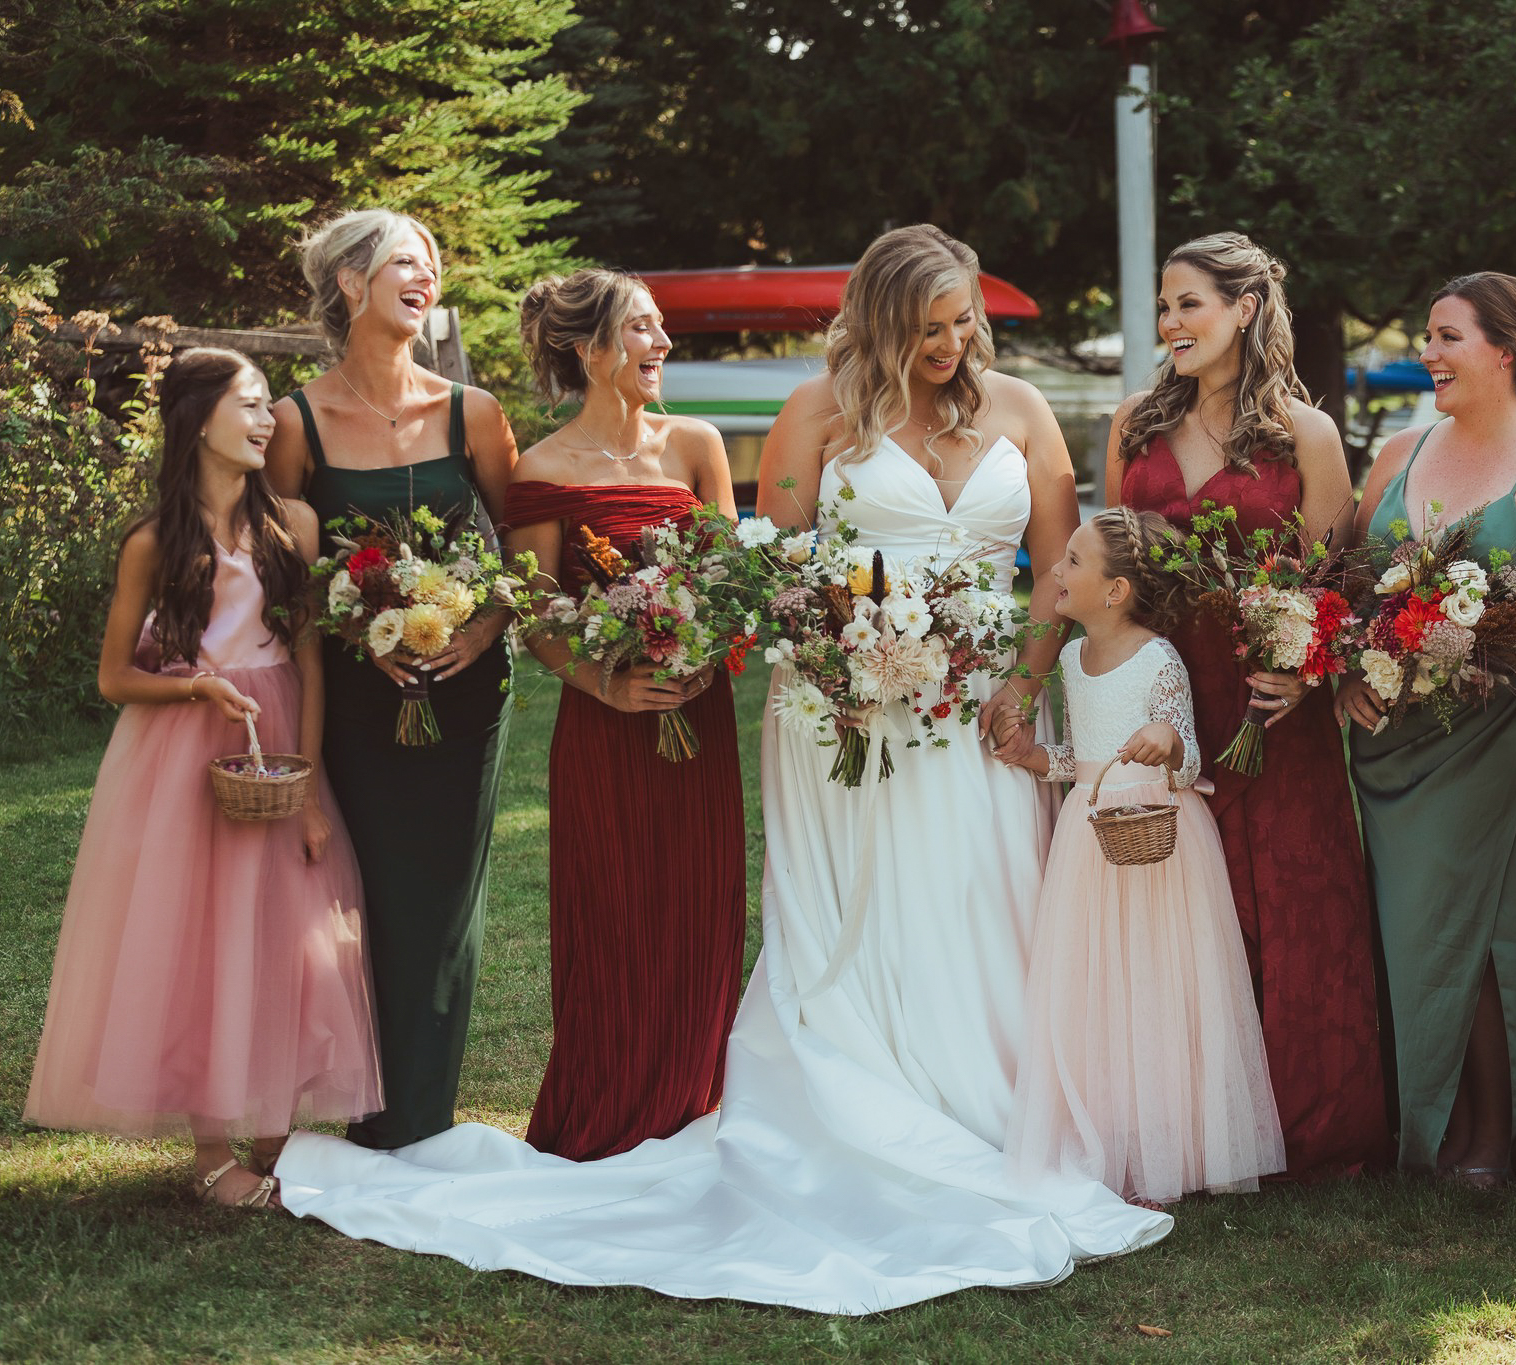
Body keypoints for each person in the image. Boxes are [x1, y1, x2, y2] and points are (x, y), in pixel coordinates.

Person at [275, 225, 1168, 1314]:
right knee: (866, 915)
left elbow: (1057, 569)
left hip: (978, 706)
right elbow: (776, 568)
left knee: (984, 901)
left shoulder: (1021, 413)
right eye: (929, 326)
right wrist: (847, 656)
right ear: (884, 320)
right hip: (844, 705)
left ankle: (990, 1107)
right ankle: (856, 1095)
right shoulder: (814, 416)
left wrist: (1025, 685)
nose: (951, 342)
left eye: (962, 322)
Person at [25, 347, 380, 1207]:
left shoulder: (294, 523)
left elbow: (309, 658)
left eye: (268, 408)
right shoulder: (153, 542)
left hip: (279, 740)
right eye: (251, 405)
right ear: (198, 418)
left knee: (288, 931)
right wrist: (196, 685)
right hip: (184, 748)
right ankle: (212, 1152)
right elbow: (114, 678)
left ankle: (273, 1139)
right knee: (200, 935)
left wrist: (305, 785)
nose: (267, 422)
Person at [1109, 232, 1392, 1177]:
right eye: (1164, 306)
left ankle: (1309, 1124)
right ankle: (1188, 1120)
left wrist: (1308, 668)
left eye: (1189, 303)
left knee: (1295, 897)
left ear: (1244, 309)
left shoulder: (1306, 436)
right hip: (1163, 689)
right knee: (1177, 900)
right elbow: (1116, 569)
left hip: (1269, 702)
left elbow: (1334, 579)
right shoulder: (1134, 428)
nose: (1171, 323)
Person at [1337, 272, 1516, 1185]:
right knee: (1403, 922)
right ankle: (1413, 1118)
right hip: (1389, 736)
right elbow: (1341, 583)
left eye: (1447, 336)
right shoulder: (1398, 454)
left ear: (1504, 351)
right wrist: (1350, 671)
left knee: (1478, 924)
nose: (1428, 352)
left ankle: (1489, 1137)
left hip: (1495, 728)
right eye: (1426, 334)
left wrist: (1471, 643)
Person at [267, 209, 519, 1151]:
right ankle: (361, 1099)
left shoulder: (475, 414)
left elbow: (523, 560)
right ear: (349, 283)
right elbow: (285, 575)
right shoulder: (295, 422)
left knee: (443, 904)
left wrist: (484, 624)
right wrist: (354, 626)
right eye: (406, 264)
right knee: (360, 894)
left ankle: (419, 1115)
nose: (427, 279)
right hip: (357, 700)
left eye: (433, 267)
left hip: (464, 697)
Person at [501, 270, 745, 1161]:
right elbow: (533, 613)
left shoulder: (697, 444)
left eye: (661, 327)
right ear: (588, 349)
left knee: (698, 909)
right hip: (606, 724)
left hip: (696, 716)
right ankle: (605, 1109)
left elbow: (731, 577)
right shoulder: (542, 468)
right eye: (643, 328)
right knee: (614, 917)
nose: (663, 345)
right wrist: (608, 683)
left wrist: (701, 646)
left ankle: (693, 1100)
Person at [1000, 508, 1286, 1207]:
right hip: (1090, 836)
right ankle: (1112, 1131)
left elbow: (1185, 763)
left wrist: (1167, 735)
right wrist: (1037, 757)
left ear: (1116, 590)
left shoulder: (1158, 658)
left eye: (1072, 561)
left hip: (1161, 841)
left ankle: (1174, 1141)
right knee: (1099, 986)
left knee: (1159, 982)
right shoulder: (1069, 658)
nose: (1057, 572)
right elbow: (1080, 757)